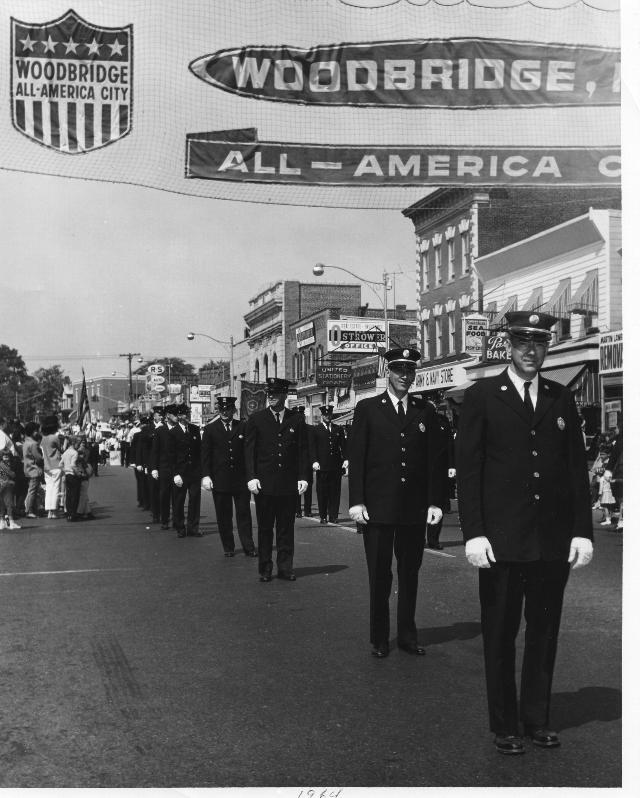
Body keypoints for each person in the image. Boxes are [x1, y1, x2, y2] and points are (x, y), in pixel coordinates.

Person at [455, 311, 593, 756]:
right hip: (501, 541)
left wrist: (581, 531)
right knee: (499, 633)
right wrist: (474, 533)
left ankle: (537, 719)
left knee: (544, 632)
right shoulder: (482, 397)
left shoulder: (559, 397)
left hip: (550, 541)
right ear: (509, 346)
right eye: (523, 343)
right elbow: (470, 471)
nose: (531, 351)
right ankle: (506, 724)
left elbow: (575, 470)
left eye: (539, 343)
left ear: (546, 347)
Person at [348, 347, 447, 658]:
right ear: (387, 373)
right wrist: (357, 501)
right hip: (378, 508)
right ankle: (379, 636)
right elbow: (359, 457)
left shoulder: (424, 411)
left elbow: (434, 460)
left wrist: (435, 501)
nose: (405, 376)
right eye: (399, 370)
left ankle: (407, 634)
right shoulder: (368, 409)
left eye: (410, 371)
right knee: (380, 574)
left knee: (410, 573)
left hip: (412, 509)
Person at [244, 377, 309, 582]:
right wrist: (251, 477)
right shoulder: (257, 419)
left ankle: (285, 567)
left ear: (284, 395)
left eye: (276, 394)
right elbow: (249, 452)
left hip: (288, 485)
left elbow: (302, 451)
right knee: (265, 529)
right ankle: (265, 568)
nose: (271, 397)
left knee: (285, 529)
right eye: (269, 394)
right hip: (264, 485)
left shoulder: (296, 420)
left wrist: (303, 477)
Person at [201, 396, 257, 557]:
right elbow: (206, 455)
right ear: (219, 410)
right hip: (220, 479)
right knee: (224, 515)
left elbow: (248, 452)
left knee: (244, 514)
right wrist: (206, 475)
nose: (225, 413)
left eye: (228, 409)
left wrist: (251, 475)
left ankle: (248, 546)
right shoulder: (211, 429)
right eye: (222, 410)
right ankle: (228, 547)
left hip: (240, 480)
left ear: (234, 410)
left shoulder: (242, 427)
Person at [167, 403, 203, 538]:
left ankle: (193, 527)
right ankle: (180, 527)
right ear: (178, 416)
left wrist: (202, 471)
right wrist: (175, 474)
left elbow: (199, 451)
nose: (185, 417)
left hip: (194, 471)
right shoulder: (173, 432)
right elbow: (171, 455)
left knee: (195, 500)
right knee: (179, 500)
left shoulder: (194, 429)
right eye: (182, 414)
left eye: (187, 414)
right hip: (180, 472)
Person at [309, 405, 348, 524]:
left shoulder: (338, 429)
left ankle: (333, 516)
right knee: (322, 492)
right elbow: (312, 447)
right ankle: (323, 516)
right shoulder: (316, 430)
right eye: (325, 415)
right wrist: (314, 461)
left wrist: (346, 459)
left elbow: (344, 445)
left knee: (335, 492)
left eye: (329, 414)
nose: (327, 416)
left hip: (336, 466)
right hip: (322, 466)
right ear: (322, 416)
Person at [150, 405, 176, 530]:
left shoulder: (180, 429)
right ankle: (165, 520)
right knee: (165, 495)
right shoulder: (160, 430)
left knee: (177, 496)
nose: (176, 416)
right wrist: (154, 468)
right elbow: (155, 450)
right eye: (174, 414)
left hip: (177, 468)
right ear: (167, 416)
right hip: (164, 468)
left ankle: (177, 521)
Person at [40, 414, 64, 519]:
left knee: (49, 488)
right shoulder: (55, 438)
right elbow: (61, 449)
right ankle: (53, 511)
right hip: (56, 465)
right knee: (55, 489)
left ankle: (49, 511)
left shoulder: (43, 439)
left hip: (46, 466)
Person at [295, 406, 314, 518]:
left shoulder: (310, 429)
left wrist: (313, 461)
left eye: (301, 415)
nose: (300, 417)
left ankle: (308, 509)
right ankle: (297, 510)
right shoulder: (291, 429)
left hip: (307, 462)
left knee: (308, 487)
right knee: (296, 487)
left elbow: (312, 446)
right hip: (295, 463)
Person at [22, 421, 43, 518]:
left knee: (31, 490)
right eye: (36, 430)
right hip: (34, 470)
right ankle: (29, 510)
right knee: (32, 491)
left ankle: (31, 509)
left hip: (27, 469)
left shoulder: (26, 442)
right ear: (33, 431)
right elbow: (38, 457)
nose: (38, 432)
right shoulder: (33, 444)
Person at [60, 435, 82, 522]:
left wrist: (65, 470)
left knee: (68, 495)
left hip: (67, 475)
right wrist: (78, 473)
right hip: (73, 475)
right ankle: (73, 514)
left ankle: (69, 514)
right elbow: (73, 465)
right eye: (78, 444)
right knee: (75, 495)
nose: (79, 446)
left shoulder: (65, 452)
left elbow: (60, 464)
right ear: (74, 443)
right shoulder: (74, 453)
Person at [0, 449, 21, 529]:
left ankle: (1, 522)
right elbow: (12, 474)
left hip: (1, 485)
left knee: (1, 504)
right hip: (7, 485)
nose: (6, 458)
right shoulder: (5, 465)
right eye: (5, 456)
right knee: (9, 505)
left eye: (7, 456)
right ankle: (11, 522)